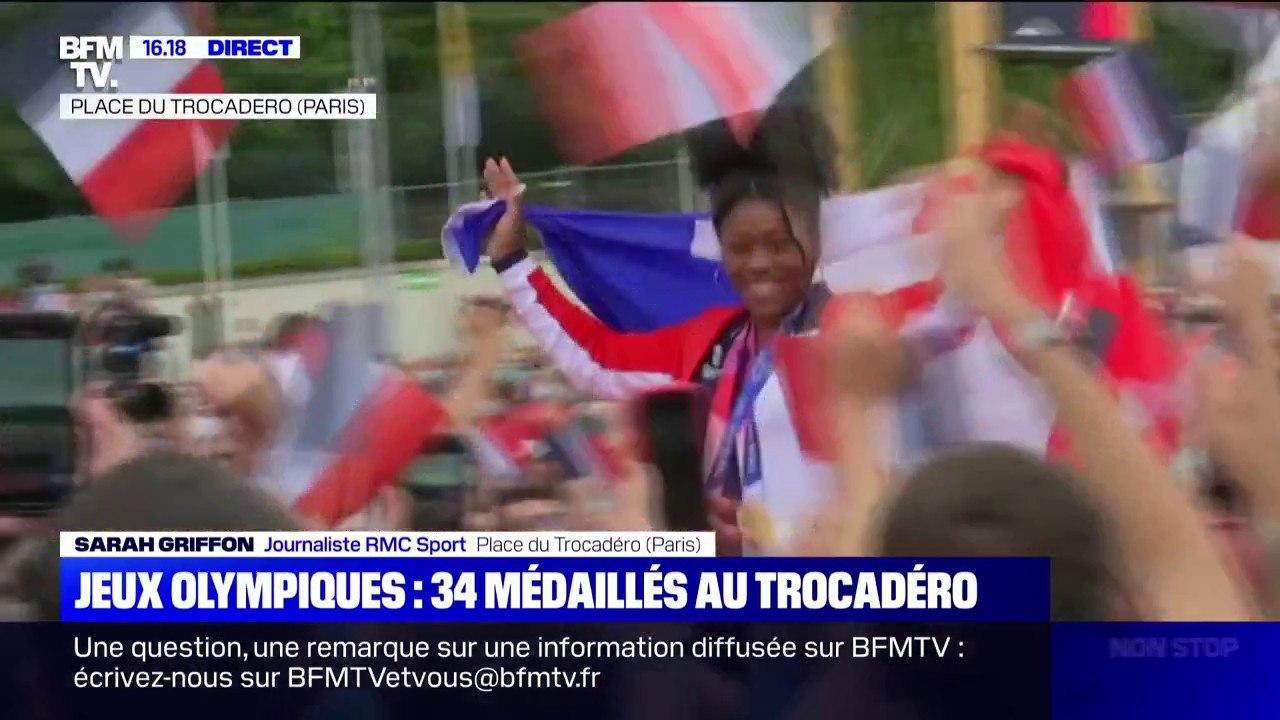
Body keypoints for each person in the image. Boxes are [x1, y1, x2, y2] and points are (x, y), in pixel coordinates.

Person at [480, 105, 940, 553]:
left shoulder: (868, 321)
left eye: (778, 244)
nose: (759, 263)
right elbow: (596, 360)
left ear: (815, 238)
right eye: (741, 248)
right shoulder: (712, 344)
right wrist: (512, 261)